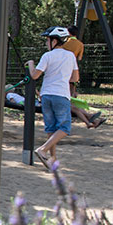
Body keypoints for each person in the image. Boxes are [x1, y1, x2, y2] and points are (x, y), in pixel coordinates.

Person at [26, 26, 79, 169]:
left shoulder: (47, 56)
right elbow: (75, 78)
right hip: (61, 95)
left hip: (46, 95)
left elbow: (34, 75)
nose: (46, 43)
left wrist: (31, 64)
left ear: (55, 41)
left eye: (47, 40)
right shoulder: (70, 56)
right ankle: (43, 150)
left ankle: (52, 159)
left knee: (51, 127)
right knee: (65, 127)